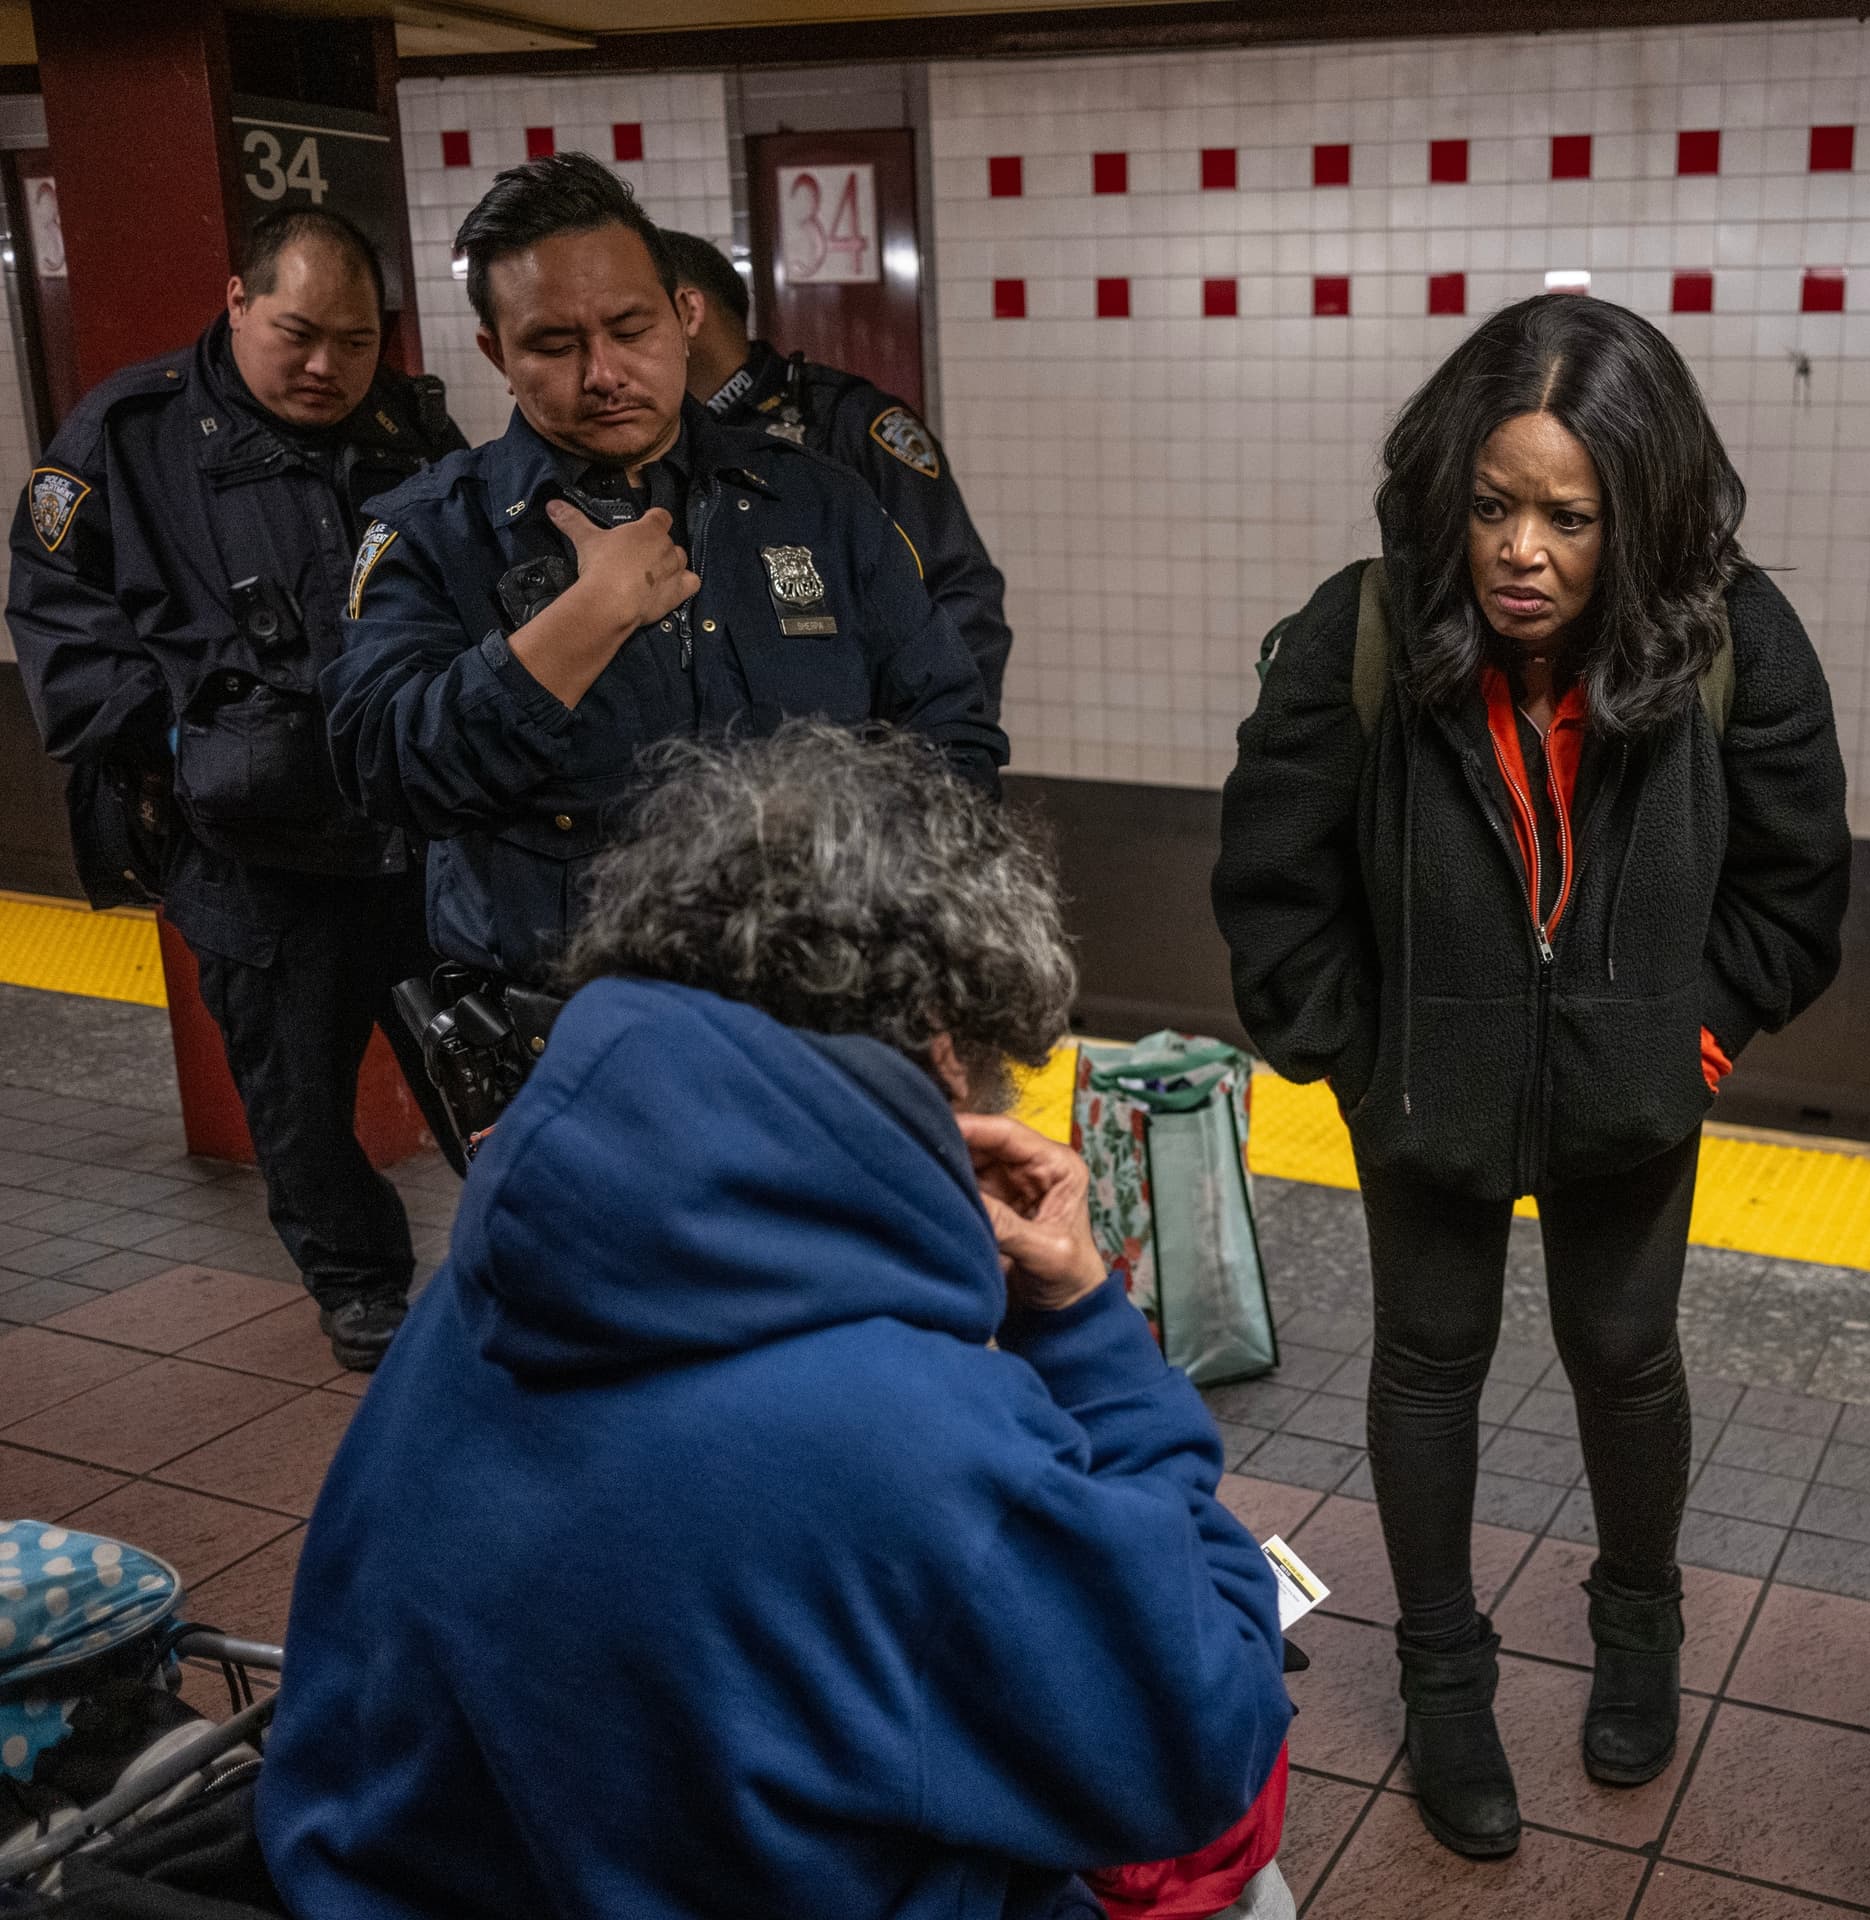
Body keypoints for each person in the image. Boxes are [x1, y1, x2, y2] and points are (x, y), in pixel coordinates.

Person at [253, 722, 1293, 1920]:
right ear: (945, 1057)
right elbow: (1198, 1737)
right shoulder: (906, 1440)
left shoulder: (504, 1262)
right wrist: (1084, 1329)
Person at [1213, 294, 1849, 1860]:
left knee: (1626, 1358)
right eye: (1494, 506)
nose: (1523, 550)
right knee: (1428, 1361)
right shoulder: (1365, 628)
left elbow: (1798, 881)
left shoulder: (1729, 640)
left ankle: (1641, 1631)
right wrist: (1361, 1058)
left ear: (1640, 509)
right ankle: (1445, 1682)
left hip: (1631, 1100)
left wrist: (1689, 1040)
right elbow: (1273, 881)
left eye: (1571, 516)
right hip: (1427, 1095)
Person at [323, 154, 1005, 997]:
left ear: (684, 316)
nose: (602, 373)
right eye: (554, 344)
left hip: (817, 1007)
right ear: (496, 352)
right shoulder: (431, 529)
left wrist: (899, 916)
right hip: (578, 1029)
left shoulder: (814, 499)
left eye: (630, 328)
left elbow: (948, 724)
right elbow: (387, 769)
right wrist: (583, 621)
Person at [6, 208, 468, 1373]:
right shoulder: (127, 434)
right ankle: (360, 1291)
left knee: (481, 1066)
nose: (327, 367)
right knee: (299, 1099)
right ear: (237, 303)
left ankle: (543, 1262)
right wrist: (178, 742)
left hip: (412, 835)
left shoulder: (415, 431)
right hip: (250, 853)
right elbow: (58, 614)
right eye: (299, 334)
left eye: (355, 342)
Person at [665, 227, 1013, 718]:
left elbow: (960, 593)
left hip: (857, 752)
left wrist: (943, 768)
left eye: (632, 319)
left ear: (687, 313)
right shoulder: (662, 444)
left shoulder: (848, 423)